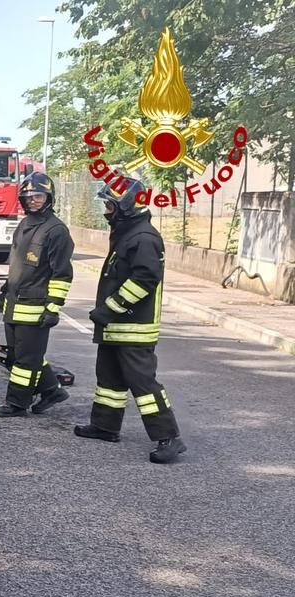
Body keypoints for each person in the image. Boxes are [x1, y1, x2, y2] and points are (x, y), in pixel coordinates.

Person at [75, 177, 187, 464]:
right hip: (116, 326)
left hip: (134, 327)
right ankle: (105, 426)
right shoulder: (127, 233)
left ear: (126, 205)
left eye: (110, 205)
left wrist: (110, 309)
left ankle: (170, 438)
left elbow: (144, 280)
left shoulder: (144, 238)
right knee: (109, 379)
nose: (106, 211)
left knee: (142, 383)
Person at [0, 172, 74, 417]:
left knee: (25, 361)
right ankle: (51, 390)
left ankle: (17, 403)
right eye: (28, 197)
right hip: (14, 303)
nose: (33, 201)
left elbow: (62, 273)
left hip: (36, 307)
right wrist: (6, 290)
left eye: (38, 196)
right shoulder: (24, 224)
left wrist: (53, 307)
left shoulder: (56, 230)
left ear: (49, 197)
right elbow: (17, 264)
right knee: (21, 354)